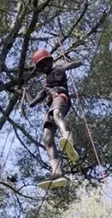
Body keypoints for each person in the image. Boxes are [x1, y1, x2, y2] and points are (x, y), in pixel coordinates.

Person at [25, 48, 82, 190]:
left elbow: (78, 63)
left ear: (50, 61)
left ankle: (68, 138)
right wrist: (25, 92)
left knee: (57, 114)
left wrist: (65, 66)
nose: (44, 67)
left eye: (45, 63)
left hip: (61, 98)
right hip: (51, 105)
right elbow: (32, 103)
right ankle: (57, 171)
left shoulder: (58, 69)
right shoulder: (46, 87)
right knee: (47, 137)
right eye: (40, 66)